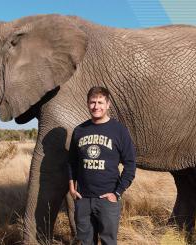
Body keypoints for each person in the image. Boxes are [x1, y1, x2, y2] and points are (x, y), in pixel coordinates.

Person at [68, 86, 136, 245]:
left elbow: (130, 165)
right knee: (85, 242)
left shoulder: (119, 130)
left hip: (107, 200)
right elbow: (72, 162)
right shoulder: (79, 130)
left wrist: (117, 193)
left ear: (108, 104)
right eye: (92, 102)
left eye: (100, 102)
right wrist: (72, 188)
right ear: (87, 104)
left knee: (108, 242)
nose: (96, 106)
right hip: (83, 199)